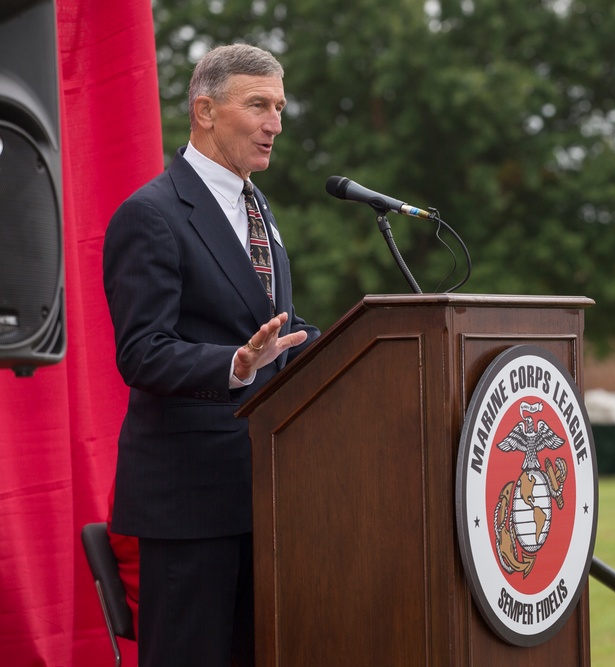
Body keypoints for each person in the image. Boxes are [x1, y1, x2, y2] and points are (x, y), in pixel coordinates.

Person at [103, 43, 320, 666]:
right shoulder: (150, 216)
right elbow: (142, 353)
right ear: (205, 109)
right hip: (190, 500)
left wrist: (359, 354)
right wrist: (235, 365)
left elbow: (276, 323)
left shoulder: (258, 208)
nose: (275, 123)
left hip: (267, 491)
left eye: (279, 107)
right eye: (258, 105)